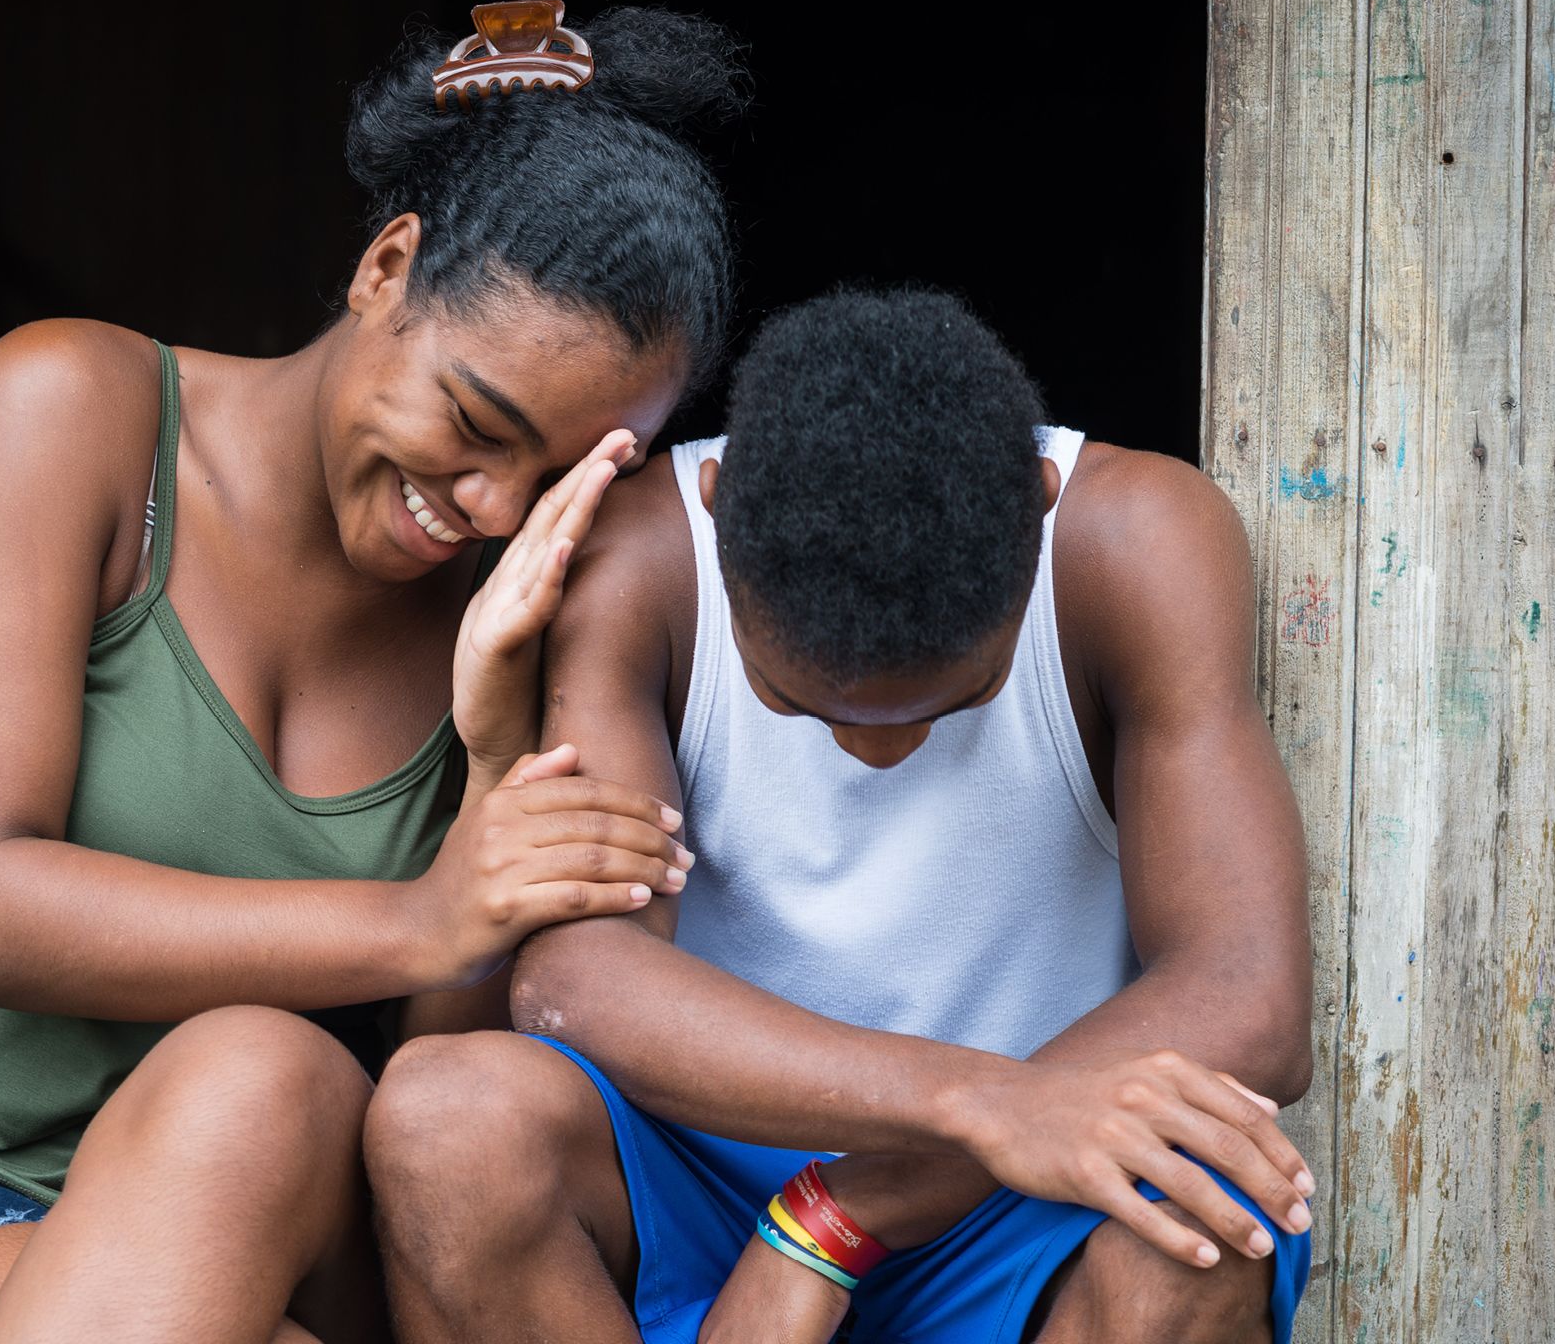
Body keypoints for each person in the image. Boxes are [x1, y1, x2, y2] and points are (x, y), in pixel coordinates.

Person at [0, 1, 747, 1344]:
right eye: (474, 423)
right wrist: (419, 919)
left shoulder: (518, 610)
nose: (494, 506)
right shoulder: (79, 413)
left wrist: (495, 758)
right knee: (253, 1065)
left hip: (279, 1230)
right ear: (388, 268)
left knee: (274, 1080)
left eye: (555, 475)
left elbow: (426, 1106)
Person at [367, 287, 1320, 1343]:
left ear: (1039, 505)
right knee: (445, 1118)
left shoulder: (1135, 542)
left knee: (1202, 1226)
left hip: (1016, 1190)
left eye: (951, 700)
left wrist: (842, 1212)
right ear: (717, 508)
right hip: (713, 1168)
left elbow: (1248, 999)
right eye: (798, 702)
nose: (881, 747)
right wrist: (968, 1104)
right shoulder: (643, 556)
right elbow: (582, 977)